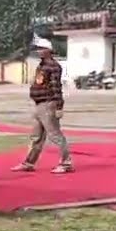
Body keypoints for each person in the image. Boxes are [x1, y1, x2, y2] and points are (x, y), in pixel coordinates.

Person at [13, 36, 73, 174]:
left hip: (48, 103)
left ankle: (66, 163)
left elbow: (56, 87)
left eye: (41, 48)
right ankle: (29, 162)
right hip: (39, 103)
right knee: (36, 136)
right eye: (38, 49)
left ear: (48, 50)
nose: (38, 51)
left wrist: (59, 106)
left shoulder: (53, 66)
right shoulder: (41, 65)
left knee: (55, 135)